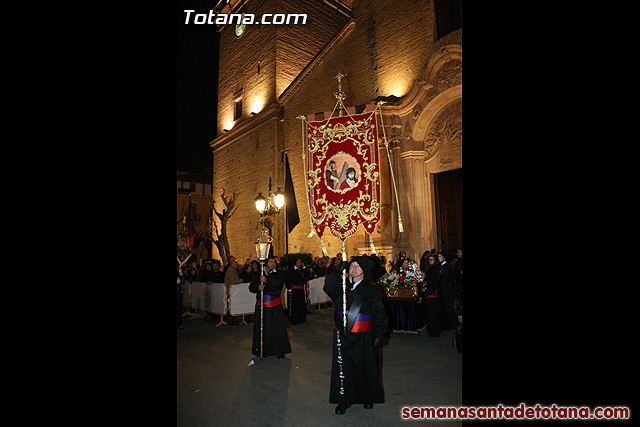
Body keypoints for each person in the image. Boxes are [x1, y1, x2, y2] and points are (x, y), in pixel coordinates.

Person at [323, 256, 388, 414]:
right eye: (352, 266)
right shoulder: (342, 286)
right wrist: (337, 271)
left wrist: (379, 333)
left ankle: (367, 397)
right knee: (344, 369)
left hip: (364, 336)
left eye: (358, 266)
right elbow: (328, 287)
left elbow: (380, 313)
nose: (354, 268)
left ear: (364, 271)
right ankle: (344, 400)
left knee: (364, 368)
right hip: (342, 336)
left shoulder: (371, 290)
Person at [249, 255, 291, 359]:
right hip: (262, 307)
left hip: (275, 307)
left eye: (274, 262)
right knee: (263, 329)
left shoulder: (279, 273)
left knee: (277, 329)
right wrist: (258, 287)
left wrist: (267, 281)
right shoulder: (258, 273)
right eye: (271, 261)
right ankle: (262, 350)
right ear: (266, 263)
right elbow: (251, 287)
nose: (273, 264)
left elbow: (278, 285)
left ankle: (279, 350)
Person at [437, 252, 456, 331]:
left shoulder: (447, 266)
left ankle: (449, 324)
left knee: (447, 307)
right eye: (438, 256)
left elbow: (446, 278)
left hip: (446, 290)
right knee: (443, 307)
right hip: (442, 289)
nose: (439, 258)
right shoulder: (441, 266)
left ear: (444, 257)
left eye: (440, 256)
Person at [424, 254, 442, 337]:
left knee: (433, 313)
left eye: (432, 259)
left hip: (432, 293)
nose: (430, 261)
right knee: (431, 313)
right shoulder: (430, 269)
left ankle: (434, 330)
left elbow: (433, 282)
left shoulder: (434, 269)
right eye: (429, 259)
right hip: (431, 292)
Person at [285, 257, 307, 325]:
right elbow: (287, 280)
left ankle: (300, 318)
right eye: (299, 262)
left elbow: (306, 276)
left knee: (300, 304)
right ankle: (293, 319)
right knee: (293, 305)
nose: (300, 263)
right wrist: (289, 289)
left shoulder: (301, 270)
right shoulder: (290, 270)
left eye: (300, 262)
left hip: (300, 290)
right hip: (293, 290)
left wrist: (304, 268)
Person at [177, 263, 185, 329]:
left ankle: (179, 323)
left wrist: (182, 290)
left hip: (178, 290)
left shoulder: (179, 271)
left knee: (179, 307)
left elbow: (182, 281)